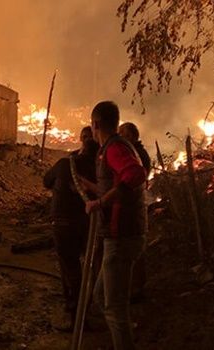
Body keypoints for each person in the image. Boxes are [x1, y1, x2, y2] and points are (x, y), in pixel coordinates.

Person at [83, 101, 147, 350]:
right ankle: (124, 337)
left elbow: (135, 174)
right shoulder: (113, 148)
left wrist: (100, 203)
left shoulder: (114, 148)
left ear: (96, 124)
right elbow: (113, 186)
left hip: (122, 237)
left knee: (114, 307)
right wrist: (87, 186)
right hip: (120, 236)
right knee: (102, 297)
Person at [43, 137, 99, 331]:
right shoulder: (100, 169)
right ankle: (83, 309)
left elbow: (46, 181)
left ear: (81, 149)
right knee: (89, 268)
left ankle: (77, 320)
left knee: (71, 269)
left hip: (64, 224)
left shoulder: (66, 164)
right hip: (88, 225)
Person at [119, 122, 151, 302]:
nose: (119, 136)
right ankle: (131, 287)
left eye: (123, 133)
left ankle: (137, 290)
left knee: (135, 250)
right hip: (130, 209)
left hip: (134, 209)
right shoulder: (132, 153)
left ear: (131, 136)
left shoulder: (138, 155)